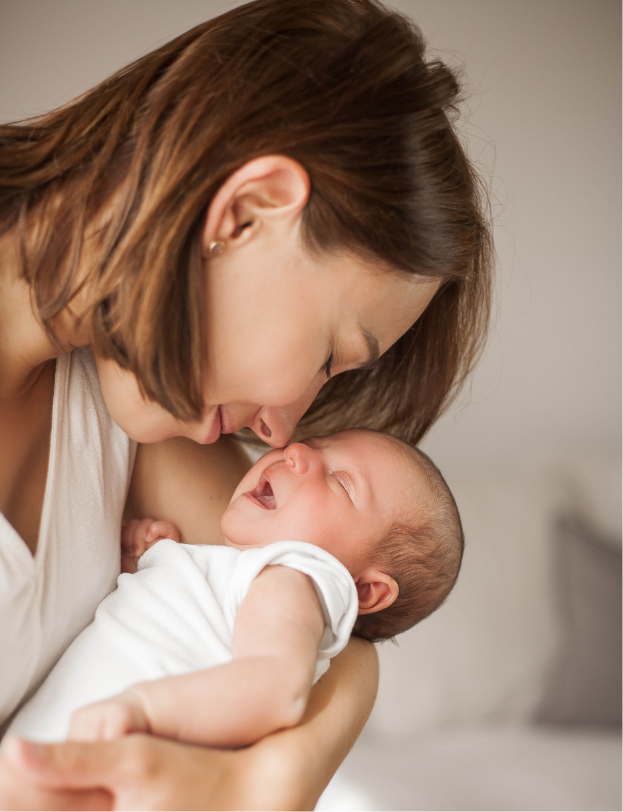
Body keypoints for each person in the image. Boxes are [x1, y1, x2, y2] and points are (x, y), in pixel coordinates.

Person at [0, 0, 491, 808]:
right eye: (332, 358)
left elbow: (337, 619)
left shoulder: (129, 405)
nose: (284, 427)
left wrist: (263, 781)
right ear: (246, 213)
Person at [7, 429, 463, 746]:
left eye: (340, 481)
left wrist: (146, 710)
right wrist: (152, 562)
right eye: (317, 445)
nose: (296, 454)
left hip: (105, 753)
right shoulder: (248, 576)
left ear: (363, 591)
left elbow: (275, 689)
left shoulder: (295, 577)